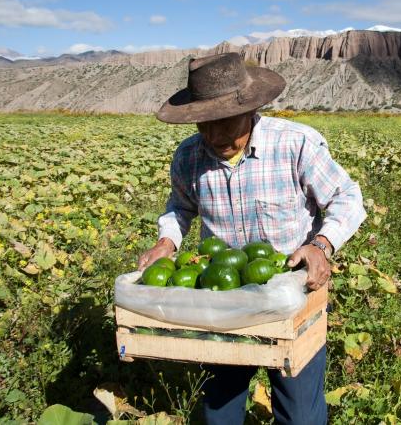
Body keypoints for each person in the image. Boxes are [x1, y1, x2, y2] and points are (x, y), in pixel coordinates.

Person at [137, 53, 366, 424]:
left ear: (250, 110)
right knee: (219, 413)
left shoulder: (295, 143)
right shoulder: (188, 157)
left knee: (300, 416)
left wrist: (321, 245)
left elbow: (348, 197)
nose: (214, 136)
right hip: (222, 302)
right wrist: (167, 241)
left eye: (224, 121)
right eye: (203, 124)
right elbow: (180, 208)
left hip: (293, 299)